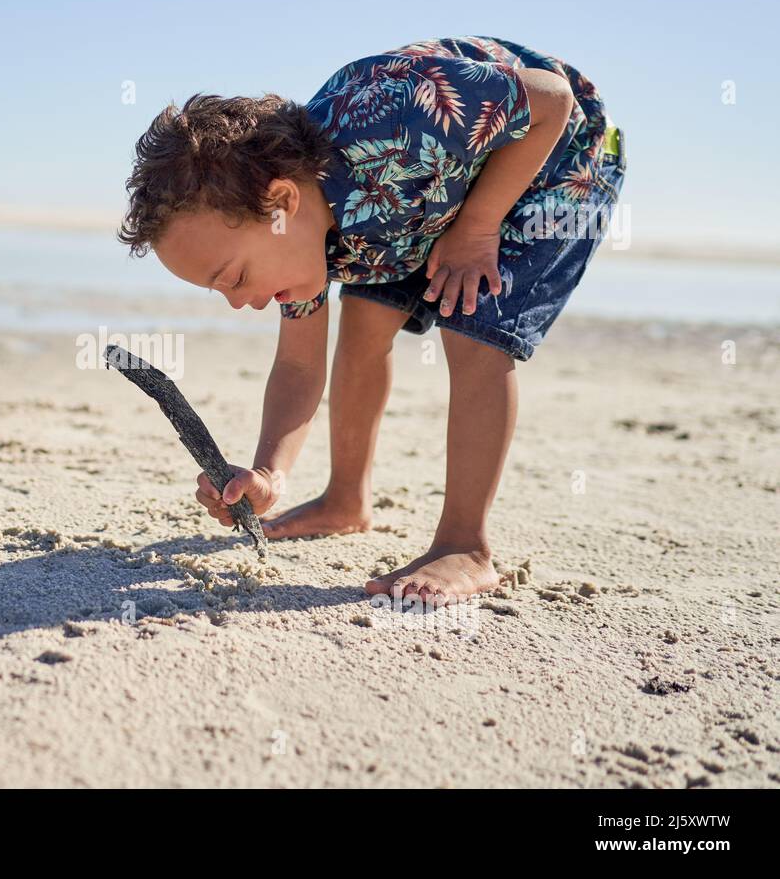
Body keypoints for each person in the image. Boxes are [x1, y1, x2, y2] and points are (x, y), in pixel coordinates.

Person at [117, 36, 626, 604]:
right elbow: (297, 362)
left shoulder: (401, 114)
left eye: (234, 278)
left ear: (281, 203)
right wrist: (267, 475)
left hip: (557, 158)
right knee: (364, 317)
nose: (241, 303)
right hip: (410, 205)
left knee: (472, 329)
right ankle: (345, 500)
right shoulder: (303, 238)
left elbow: (551, 99)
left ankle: (465, 545)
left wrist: (478, 227)